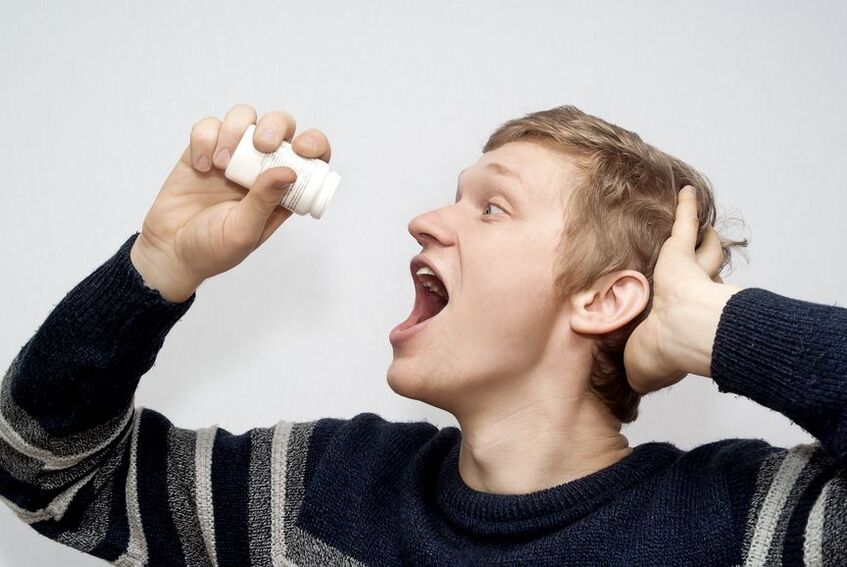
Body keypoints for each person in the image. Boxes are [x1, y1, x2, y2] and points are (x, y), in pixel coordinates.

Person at [0, 103, 844, 566]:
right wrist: (156, 265)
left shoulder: (747, 525)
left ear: (605, 298)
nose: (422, 221)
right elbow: (47, 474)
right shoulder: (314, 491)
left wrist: (720, 326)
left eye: (491, 205)